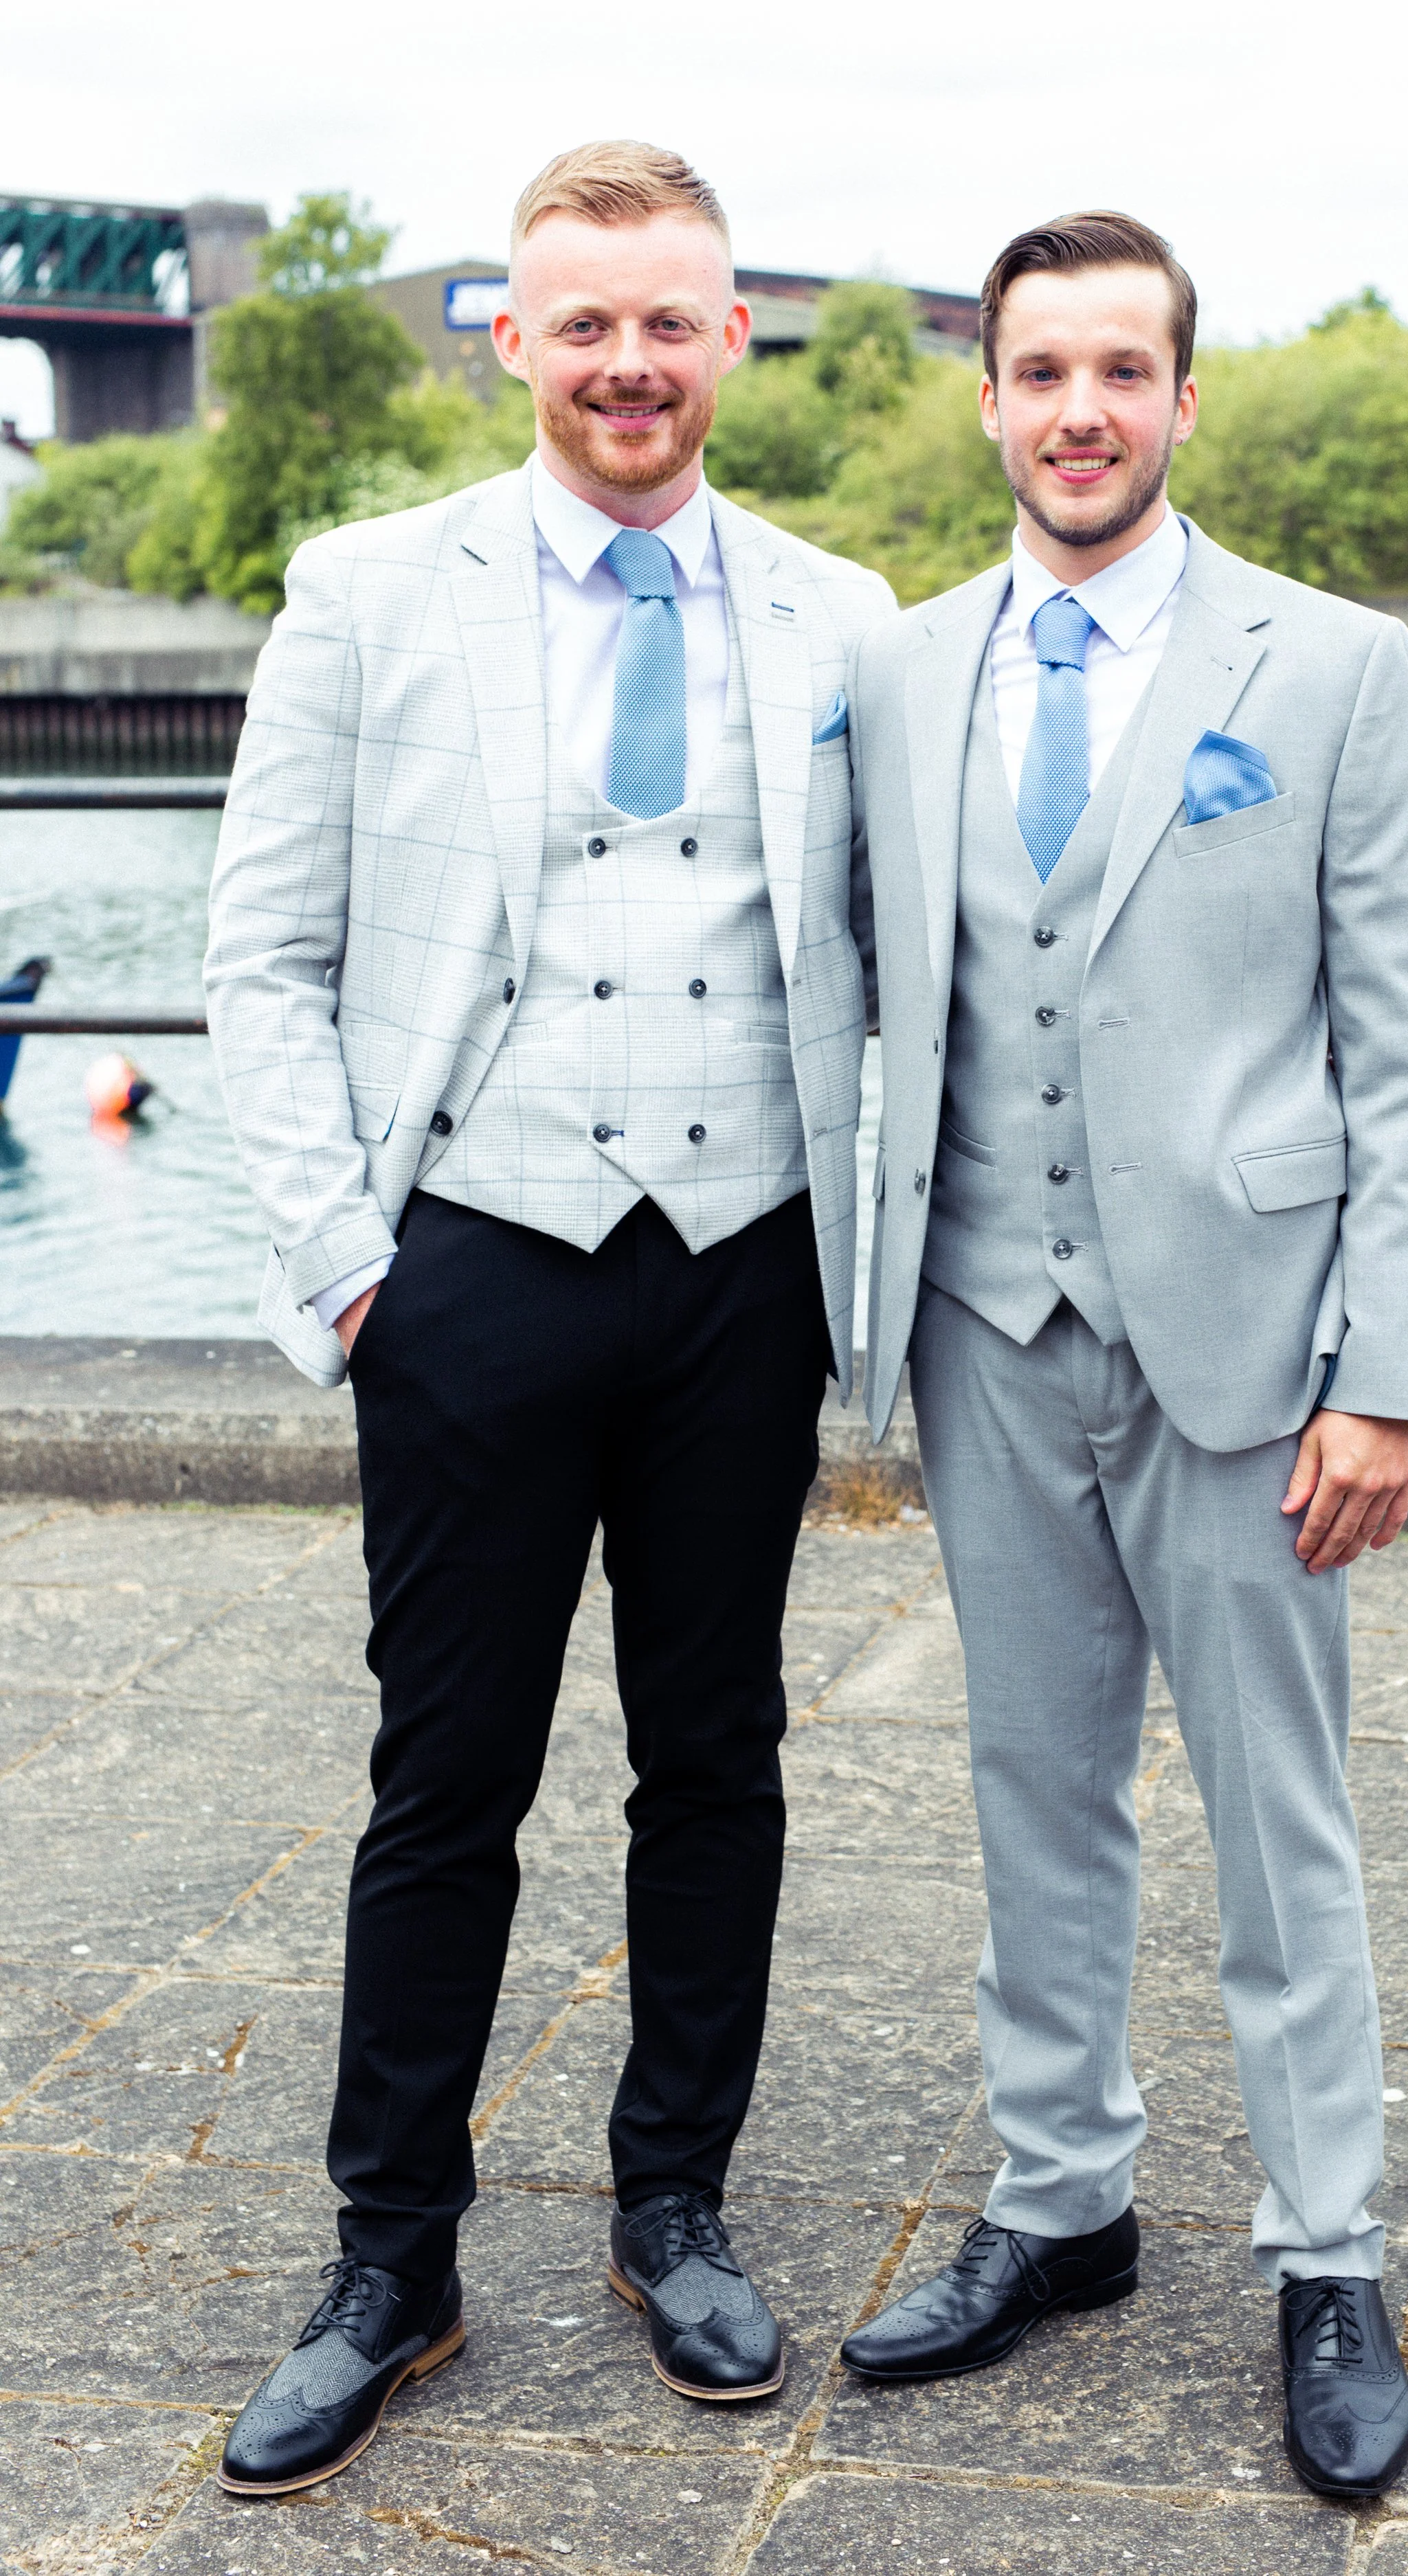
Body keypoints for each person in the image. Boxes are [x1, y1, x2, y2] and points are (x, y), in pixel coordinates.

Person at [205, 140, 893, 2494]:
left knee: (716, 1754)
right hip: (469, 1263)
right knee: (446, 1775)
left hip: (742, 1259)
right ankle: (390, 2252)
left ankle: (671, 2200)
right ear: (510, 336)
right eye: (579, 321)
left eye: (667, 319)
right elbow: (262, 960)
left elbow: (902, 973)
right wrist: (351, 1269)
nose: (626, 362)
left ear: (729, 339)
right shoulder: (364, 592)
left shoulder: (841, 617)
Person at [838, 212, 1408, 2500]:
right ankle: (1060, 2200)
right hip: (983, 1322)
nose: (1078, 411)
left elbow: (1406, 1048)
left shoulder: (1332, 665)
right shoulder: (899, 674)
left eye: (1123, 369)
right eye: (1037, 373)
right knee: (1032, 1786)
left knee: (1279, 1822)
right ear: (986, 401)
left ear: (1184, 398)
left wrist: (1384, 1366)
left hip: (1249, 1339)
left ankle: (1326, 2245)